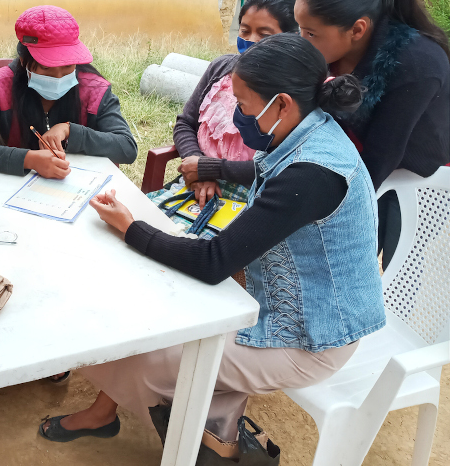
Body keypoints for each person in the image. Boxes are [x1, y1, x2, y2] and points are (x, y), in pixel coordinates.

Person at [38, 35, 386, 454]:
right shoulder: (308, 131)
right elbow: (259, 173)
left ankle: (202, 442)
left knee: (141, 351)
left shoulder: (312, 172)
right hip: (286, 302)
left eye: (243, 105)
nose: (237, 115)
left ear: (281, 105)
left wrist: (130, 227)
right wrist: (210, 166)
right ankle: (211, 438)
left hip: (311, 338)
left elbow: (213, 261)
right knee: (154, 311)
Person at [295, 0, 450, 268]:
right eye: (299, 27)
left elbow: (380, 160)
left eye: (310, 33)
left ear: (357, 29)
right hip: (359, 154)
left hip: (419, 175)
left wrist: (312, 203)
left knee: (400, 265)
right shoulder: (330, 48)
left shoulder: (416, 64)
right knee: (329, 261)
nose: (301, 39)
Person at [150, 0, 298, 236]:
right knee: (140, 225)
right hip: (194, 183)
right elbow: (186, 123)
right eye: (245, 30)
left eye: (264, 33)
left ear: (289, 37)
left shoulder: (293, 91)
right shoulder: (221, 68)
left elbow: (283, 166)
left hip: (252, 200)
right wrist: (198, 171)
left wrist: (209, 168)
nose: (251, 40)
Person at [0, 5, 138, 178]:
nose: (58, 77)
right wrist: (28, 159)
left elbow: (127, 148)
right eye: (46, 68)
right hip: (14, 185)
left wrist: (71, 130)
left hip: (81, 183)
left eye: (68, 67)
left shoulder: (95, 90)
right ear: (23, 62)